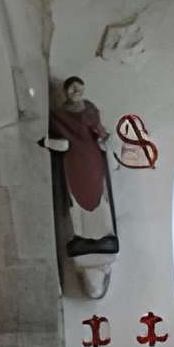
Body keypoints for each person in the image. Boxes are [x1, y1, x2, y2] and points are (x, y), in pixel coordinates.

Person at [43, 75, 118, 255]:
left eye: (79, 87)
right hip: (73, 160)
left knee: (99, 195)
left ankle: (105, 235)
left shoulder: (90, 109)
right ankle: (80, 235)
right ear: (66, 91)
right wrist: (47, 142)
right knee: (74, 198)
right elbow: (57, 137)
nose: (76, 91)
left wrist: (105, 137)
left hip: (91, 158)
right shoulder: (58, 115)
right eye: (72, 88)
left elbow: (98, 129)